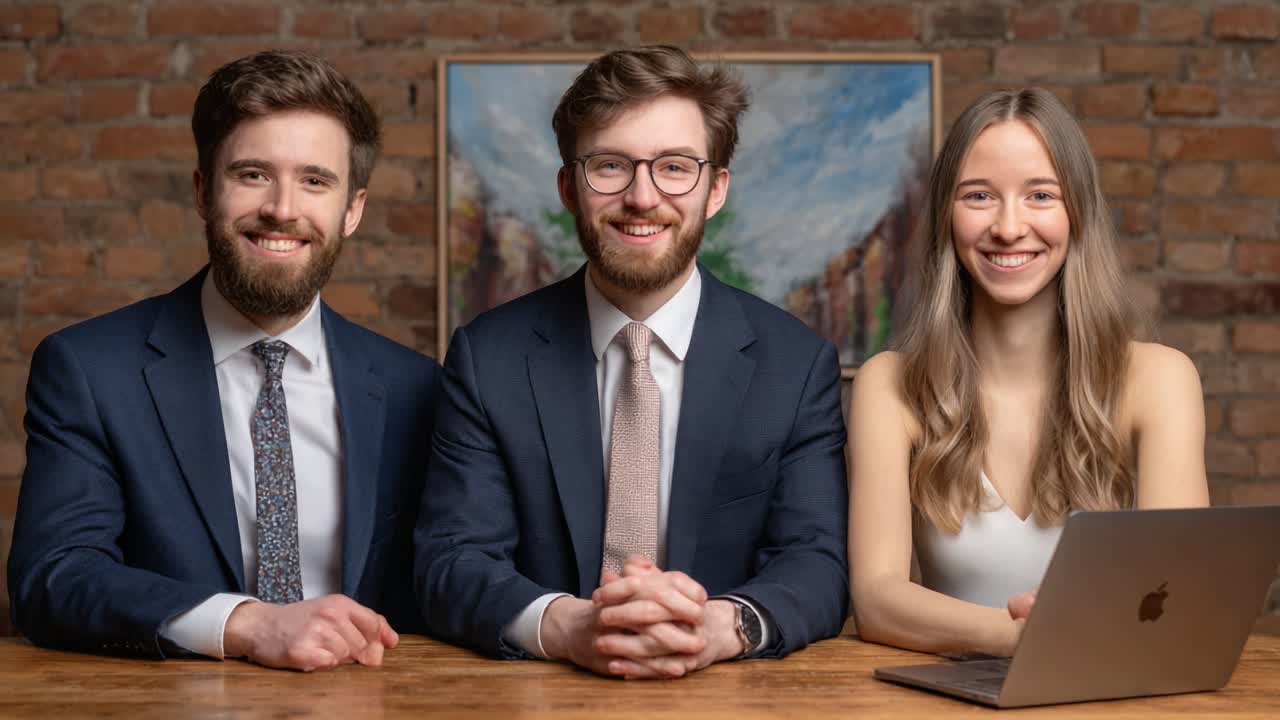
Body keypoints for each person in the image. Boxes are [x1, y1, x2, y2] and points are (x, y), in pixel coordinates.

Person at [415, 46, 848, 679]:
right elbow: (450, 559)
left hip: (730, 695)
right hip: (539, 692)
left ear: (715, 189)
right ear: (568, 187)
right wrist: (570, 627)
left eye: (675, 167)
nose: (642, 196)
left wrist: (721, 627)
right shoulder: (488, 358)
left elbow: (818, 564)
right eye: (610, 166)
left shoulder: (796, 363)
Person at [7, 50, 440, 672]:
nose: (283, 209)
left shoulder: (415, 387)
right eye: (253, 174)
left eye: (315, 180)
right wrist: (247, 623)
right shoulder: (89, 370)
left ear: (353, 209)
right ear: (203, 190)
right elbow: (52, 578)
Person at [848, 88, 1209, 657]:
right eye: (979, 196)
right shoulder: (888, 384)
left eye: (1041, 195)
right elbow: (877, 599)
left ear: (1079, 211)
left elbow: (1181, 591)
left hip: (1113, 696)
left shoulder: (1161, 379)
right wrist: (1019, 637)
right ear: (946, 215)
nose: (1009, 227)